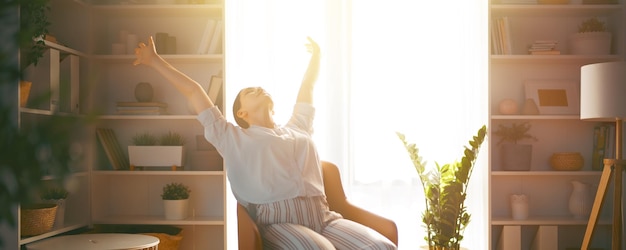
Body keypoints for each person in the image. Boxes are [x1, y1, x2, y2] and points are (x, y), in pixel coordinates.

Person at [133, 36, 397, 250]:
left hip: (324, 217)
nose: (258, 88)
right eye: (249, 92)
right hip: (280, 223)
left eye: (259, 87)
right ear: (241, 114)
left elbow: (307, 88)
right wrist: (154, 61)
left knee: (382, 246)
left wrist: (316, 58)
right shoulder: (232, 137)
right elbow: (194, 92)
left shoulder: (297, 128)